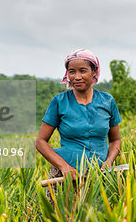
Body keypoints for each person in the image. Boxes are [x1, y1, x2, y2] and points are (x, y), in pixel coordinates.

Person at [35, 49, 122, 203]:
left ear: (94, 72)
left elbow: (115, 140)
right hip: (65, 176)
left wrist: (108, 162)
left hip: (99, 175)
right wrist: (64, 166)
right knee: (63, 221)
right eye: (72, 72)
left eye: (83, 71)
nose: (77, 77)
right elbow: (40, 142)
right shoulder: (59, 102)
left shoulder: (107, 101)